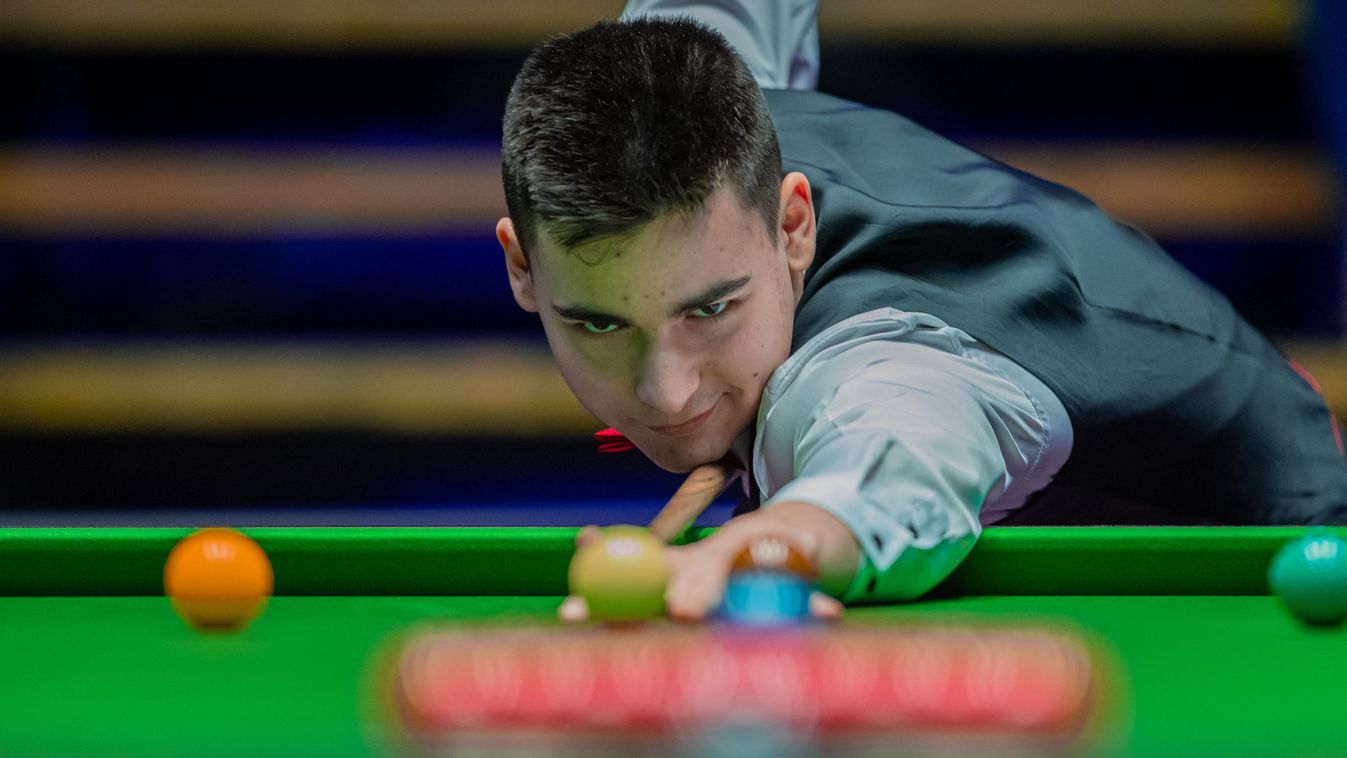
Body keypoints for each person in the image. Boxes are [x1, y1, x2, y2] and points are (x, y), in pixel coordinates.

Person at [493, 0, 1347, 621]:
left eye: (711, 309)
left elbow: (893, 464)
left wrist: (776, 544)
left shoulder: (882, 362)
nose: (669, 393)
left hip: (1254, 559)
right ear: (522, 268)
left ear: (792, 227)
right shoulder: (689, 78)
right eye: (599, 324)